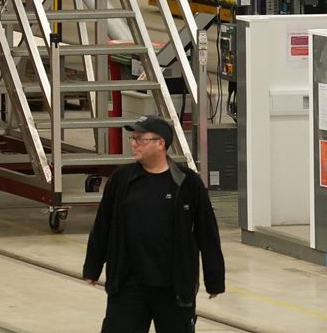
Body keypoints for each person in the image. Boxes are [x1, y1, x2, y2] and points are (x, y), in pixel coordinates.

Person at [83, 115, 225, 332]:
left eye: (140, 139)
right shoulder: (122, 179)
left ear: (160, 144)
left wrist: (214, 278)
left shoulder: (187, 183)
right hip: (128, 285)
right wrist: (92, 268)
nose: (133, 143)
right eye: (132, 138)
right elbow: (103, 225)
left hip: (173, 288)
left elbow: (207, 232)